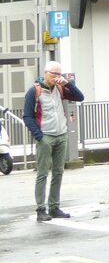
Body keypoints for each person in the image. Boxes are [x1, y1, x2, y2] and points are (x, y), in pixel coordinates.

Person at [22, 61, 85, 222]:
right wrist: (39, 136)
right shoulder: (34, 91)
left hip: (61, 134)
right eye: (53, 73)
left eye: (59, 73)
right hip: (46, 136)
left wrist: (67, 83)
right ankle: (41, 209)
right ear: (45, 73)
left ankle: (54, 207)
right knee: (42, 173)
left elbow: (80, 97)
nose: (56, 77)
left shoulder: (60, 88)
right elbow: (27, 116)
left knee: (58, 172)